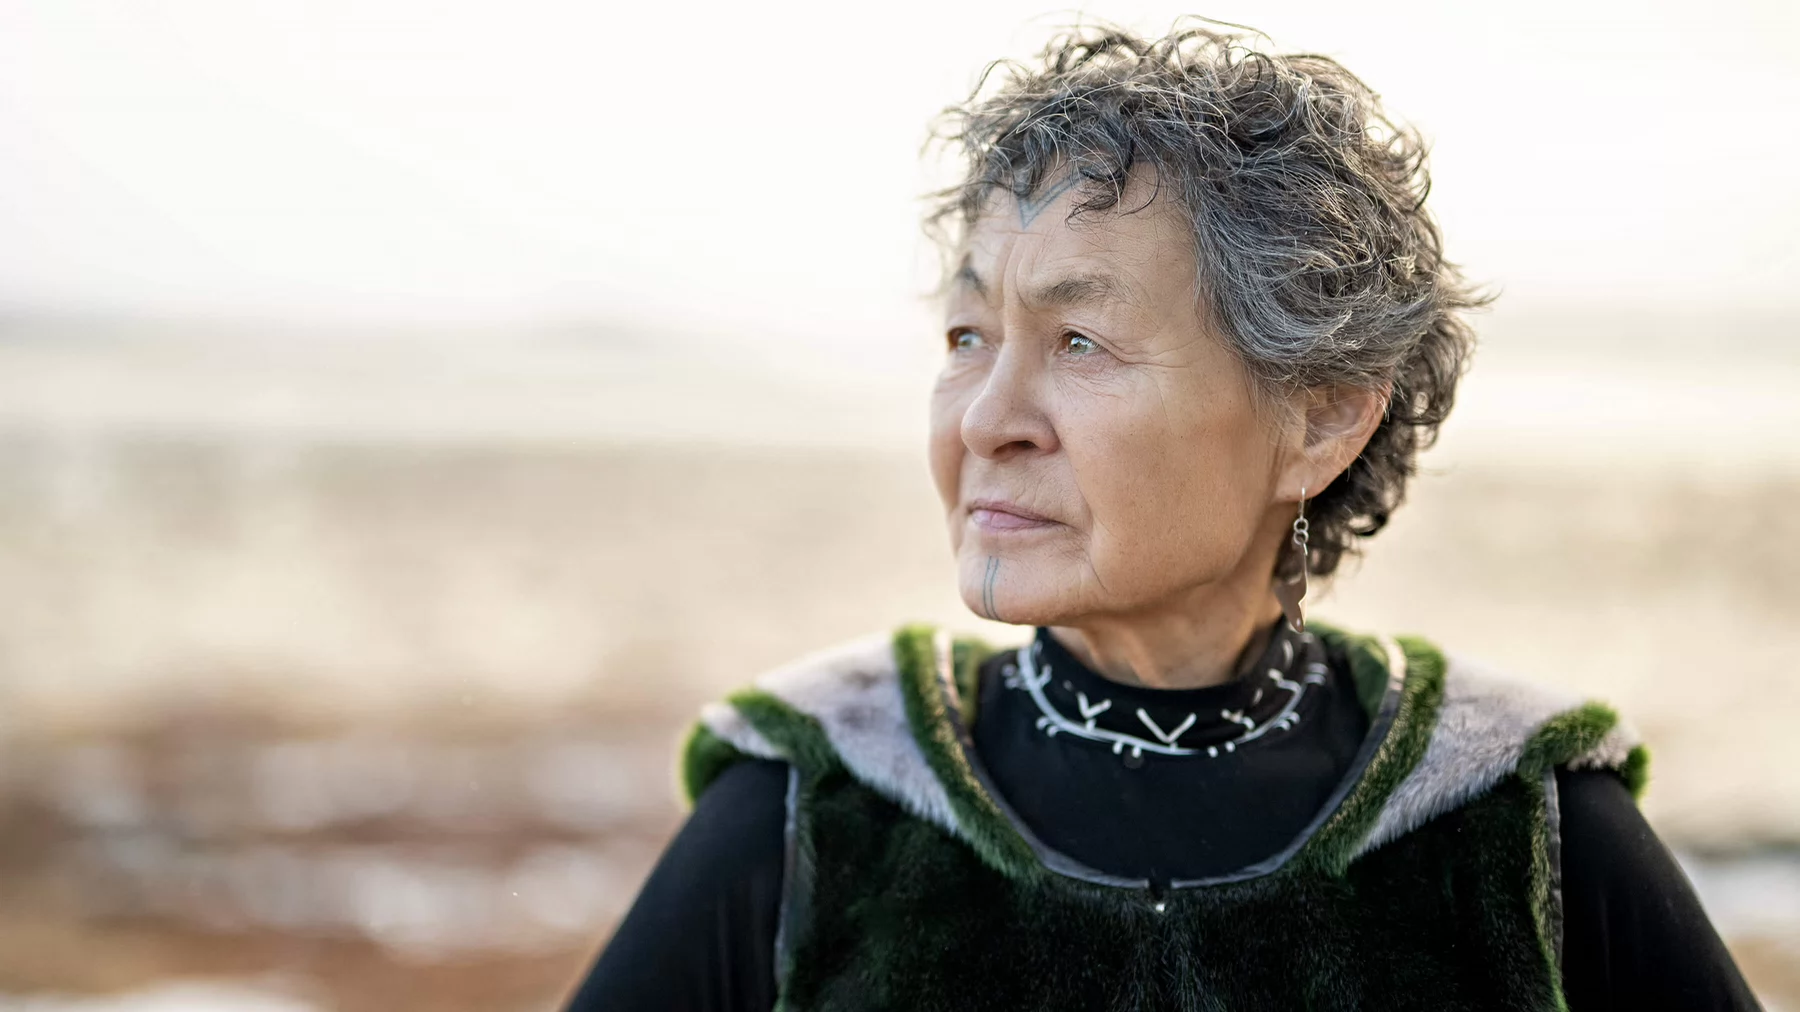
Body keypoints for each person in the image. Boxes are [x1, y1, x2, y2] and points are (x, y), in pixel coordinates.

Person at [565, 21, 1762, 1012]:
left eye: (1079, 341)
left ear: (1319, 420)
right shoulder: (817, 801)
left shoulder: (1516, 820)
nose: (987, 418)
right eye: (967, 336)